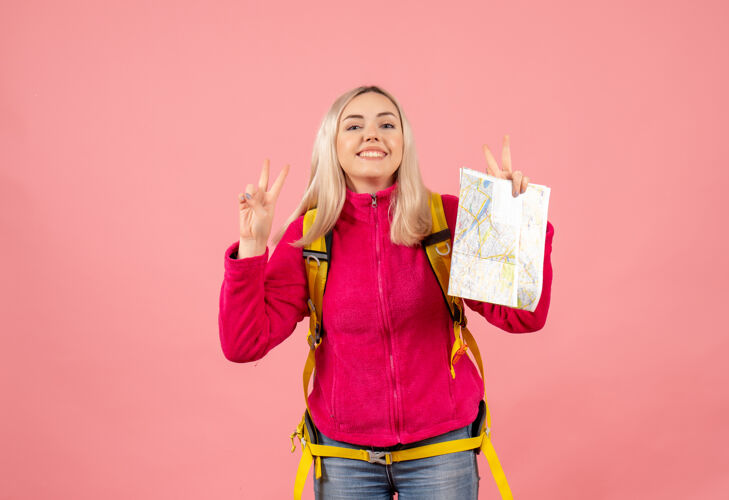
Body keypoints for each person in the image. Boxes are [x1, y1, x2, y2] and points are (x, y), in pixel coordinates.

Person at [219, 85, 554, 500]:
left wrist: (511, 226)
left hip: (442, 449)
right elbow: (243, 343)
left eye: (386, 124)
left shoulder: (446, 218)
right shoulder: (310, 236)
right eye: (354, 125)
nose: (372, 134)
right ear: (332, 145)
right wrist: (252, 246)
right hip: (343, 455)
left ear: (403, 143)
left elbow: (524, 317)